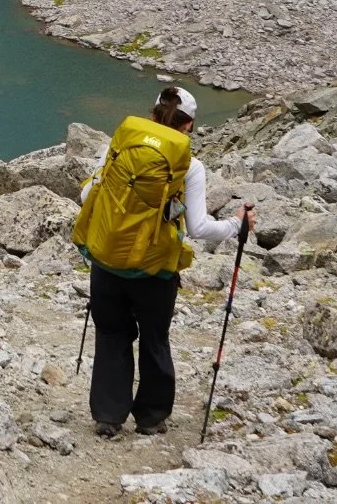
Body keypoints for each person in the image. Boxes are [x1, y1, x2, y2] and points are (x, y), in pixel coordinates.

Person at [73, 85, 255, 438]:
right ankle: (151, 418)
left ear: (152, 114)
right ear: (189, 125)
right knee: (155, 338)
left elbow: (85, 196)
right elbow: (199, 228)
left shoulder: (119, 146)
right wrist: (237, 224)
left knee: (111, 334)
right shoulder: (190, 165)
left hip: (107, 261)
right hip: (156, 269)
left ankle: (108, 416)